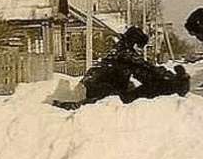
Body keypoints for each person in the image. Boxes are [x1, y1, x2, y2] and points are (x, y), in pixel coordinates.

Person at [53, 26, 190, 109]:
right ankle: (77, 106)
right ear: (134, 43)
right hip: (100, 88)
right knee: (117, 96)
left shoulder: (120, 50)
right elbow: (148, 68)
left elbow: (144, 72)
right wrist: (170, 79)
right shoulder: (125, 53)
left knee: (136, 88)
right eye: (140, 46)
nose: (141, 50)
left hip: (95, 84)